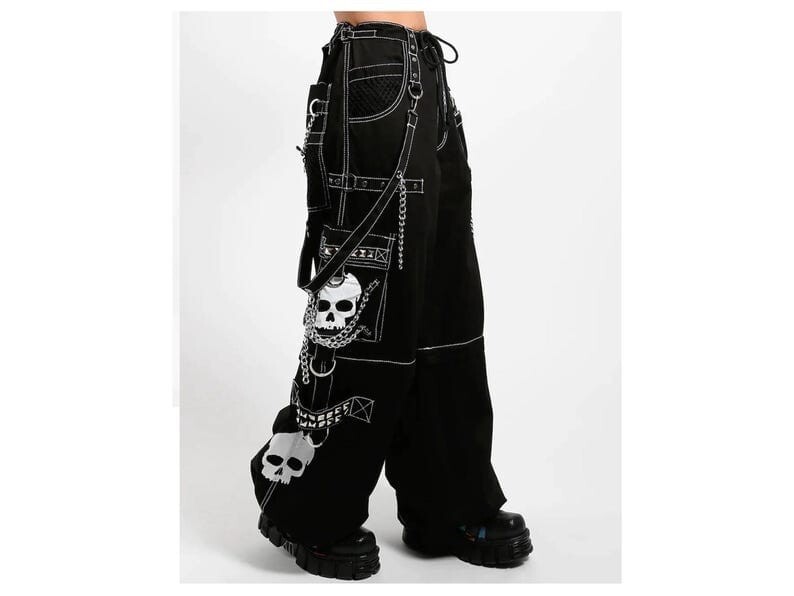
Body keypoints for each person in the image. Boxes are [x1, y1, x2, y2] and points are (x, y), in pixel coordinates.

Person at [251, 11, 532, 580]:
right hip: (374, 71)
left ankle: (448, 505)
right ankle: (308, 509)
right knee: (367, 305)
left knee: (446, 306)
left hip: (425, 71)